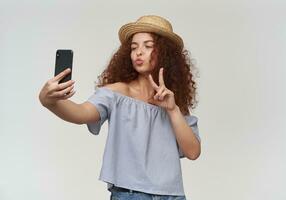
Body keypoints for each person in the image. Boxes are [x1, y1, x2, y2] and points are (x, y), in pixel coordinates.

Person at [39, 15, 201, 200]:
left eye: (148, 46)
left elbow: (193, 152)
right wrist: (50, 102)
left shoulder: (174, 104)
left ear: (165, 54)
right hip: (130, 195)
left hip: (173, 196)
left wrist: (172, 110)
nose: (138, 52)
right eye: (134, 47)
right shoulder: (116, 94)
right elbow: (80, 113)